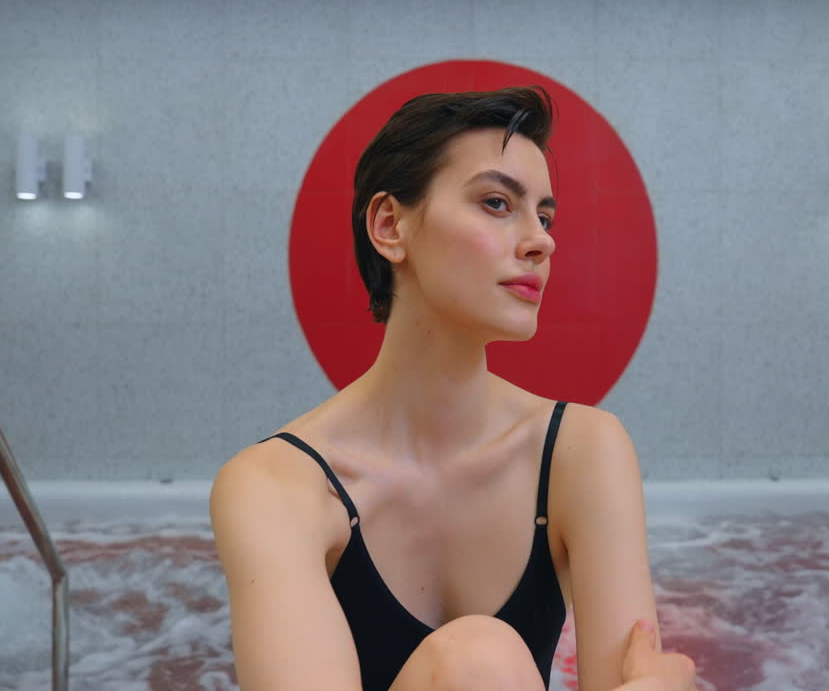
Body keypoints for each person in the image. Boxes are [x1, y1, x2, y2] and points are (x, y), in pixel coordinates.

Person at [210, 86, 698, 691]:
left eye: (544, 216)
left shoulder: (584, 451)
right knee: (480, 659)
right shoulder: (275, 486)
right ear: (390, 226)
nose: (541, 240)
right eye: (497, 203)